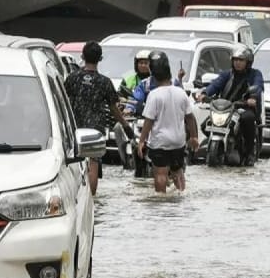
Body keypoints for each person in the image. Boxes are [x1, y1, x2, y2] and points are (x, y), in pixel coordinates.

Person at [64, 41, 134, 196]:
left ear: (82, 56)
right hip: (95, 130)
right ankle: (91, 199)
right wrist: (126, 126)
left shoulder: (71, 78)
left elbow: (63, 102)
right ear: (100, 58)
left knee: (75, 163)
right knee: (93, 163)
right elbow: (114, 109)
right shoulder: (105, 82)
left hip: (75, 128)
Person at [137, 51, 200, 194]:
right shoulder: (180, 92)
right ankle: (181, 195)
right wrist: (194, 137)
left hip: (160, 142)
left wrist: (142, 141)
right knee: (178, 172)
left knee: (160, 174)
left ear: (153, 74)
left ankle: (161, 200)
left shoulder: (154, 95)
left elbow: (148, 121)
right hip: (178, 141)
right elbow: (190, 117)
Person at [199, 44, 264, 166]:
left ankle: (249, 153)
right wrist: (204, 93)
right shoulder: (227, 75)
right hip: (226, 108)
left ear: (248, 62)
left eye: (241, 60)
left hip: (244, 107)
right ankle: (218, 145)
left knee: (247, 119)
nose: (237, 63)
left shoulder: (255, 74)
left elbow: (258, 86)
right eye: (235, 60)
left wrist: (253, 98)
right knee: (205, 125)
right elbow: (215, 85)